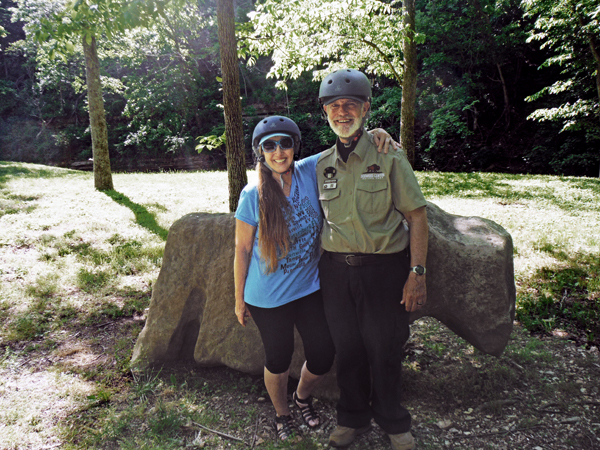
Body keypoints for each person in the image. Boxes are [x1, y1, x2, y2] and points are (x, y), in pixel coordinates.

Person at [234, 116, 397, 442]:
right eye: (270, 145)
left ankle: (302, 397)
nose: (279, 152)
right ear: (260, 152)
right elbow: (242, 248)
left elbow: (345, 144)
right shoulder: (253, 194)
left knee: (323, 355)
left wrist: (376, 133)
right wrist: (238, 299)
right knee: (278, 360)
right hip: (267, 297)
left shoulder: (310, 171)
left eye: (285, 143)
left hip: (309, 289)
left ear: (295, 146)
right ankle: (282, 413)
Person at [316, 69, 429, 450]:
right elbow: (275, 167)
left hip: (383, 271)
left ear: (366, 108)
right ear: (326, 114)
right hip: (335, 273)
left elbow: (416, 216)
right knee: (347, 349)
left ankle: (393, 421)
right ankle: (351, 418)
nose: (342, 112)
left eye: (350, 104)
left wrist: (417, 273)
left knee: (385, 348)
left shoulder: (389, 156)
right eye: (334, 106)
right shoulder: (319, 165)